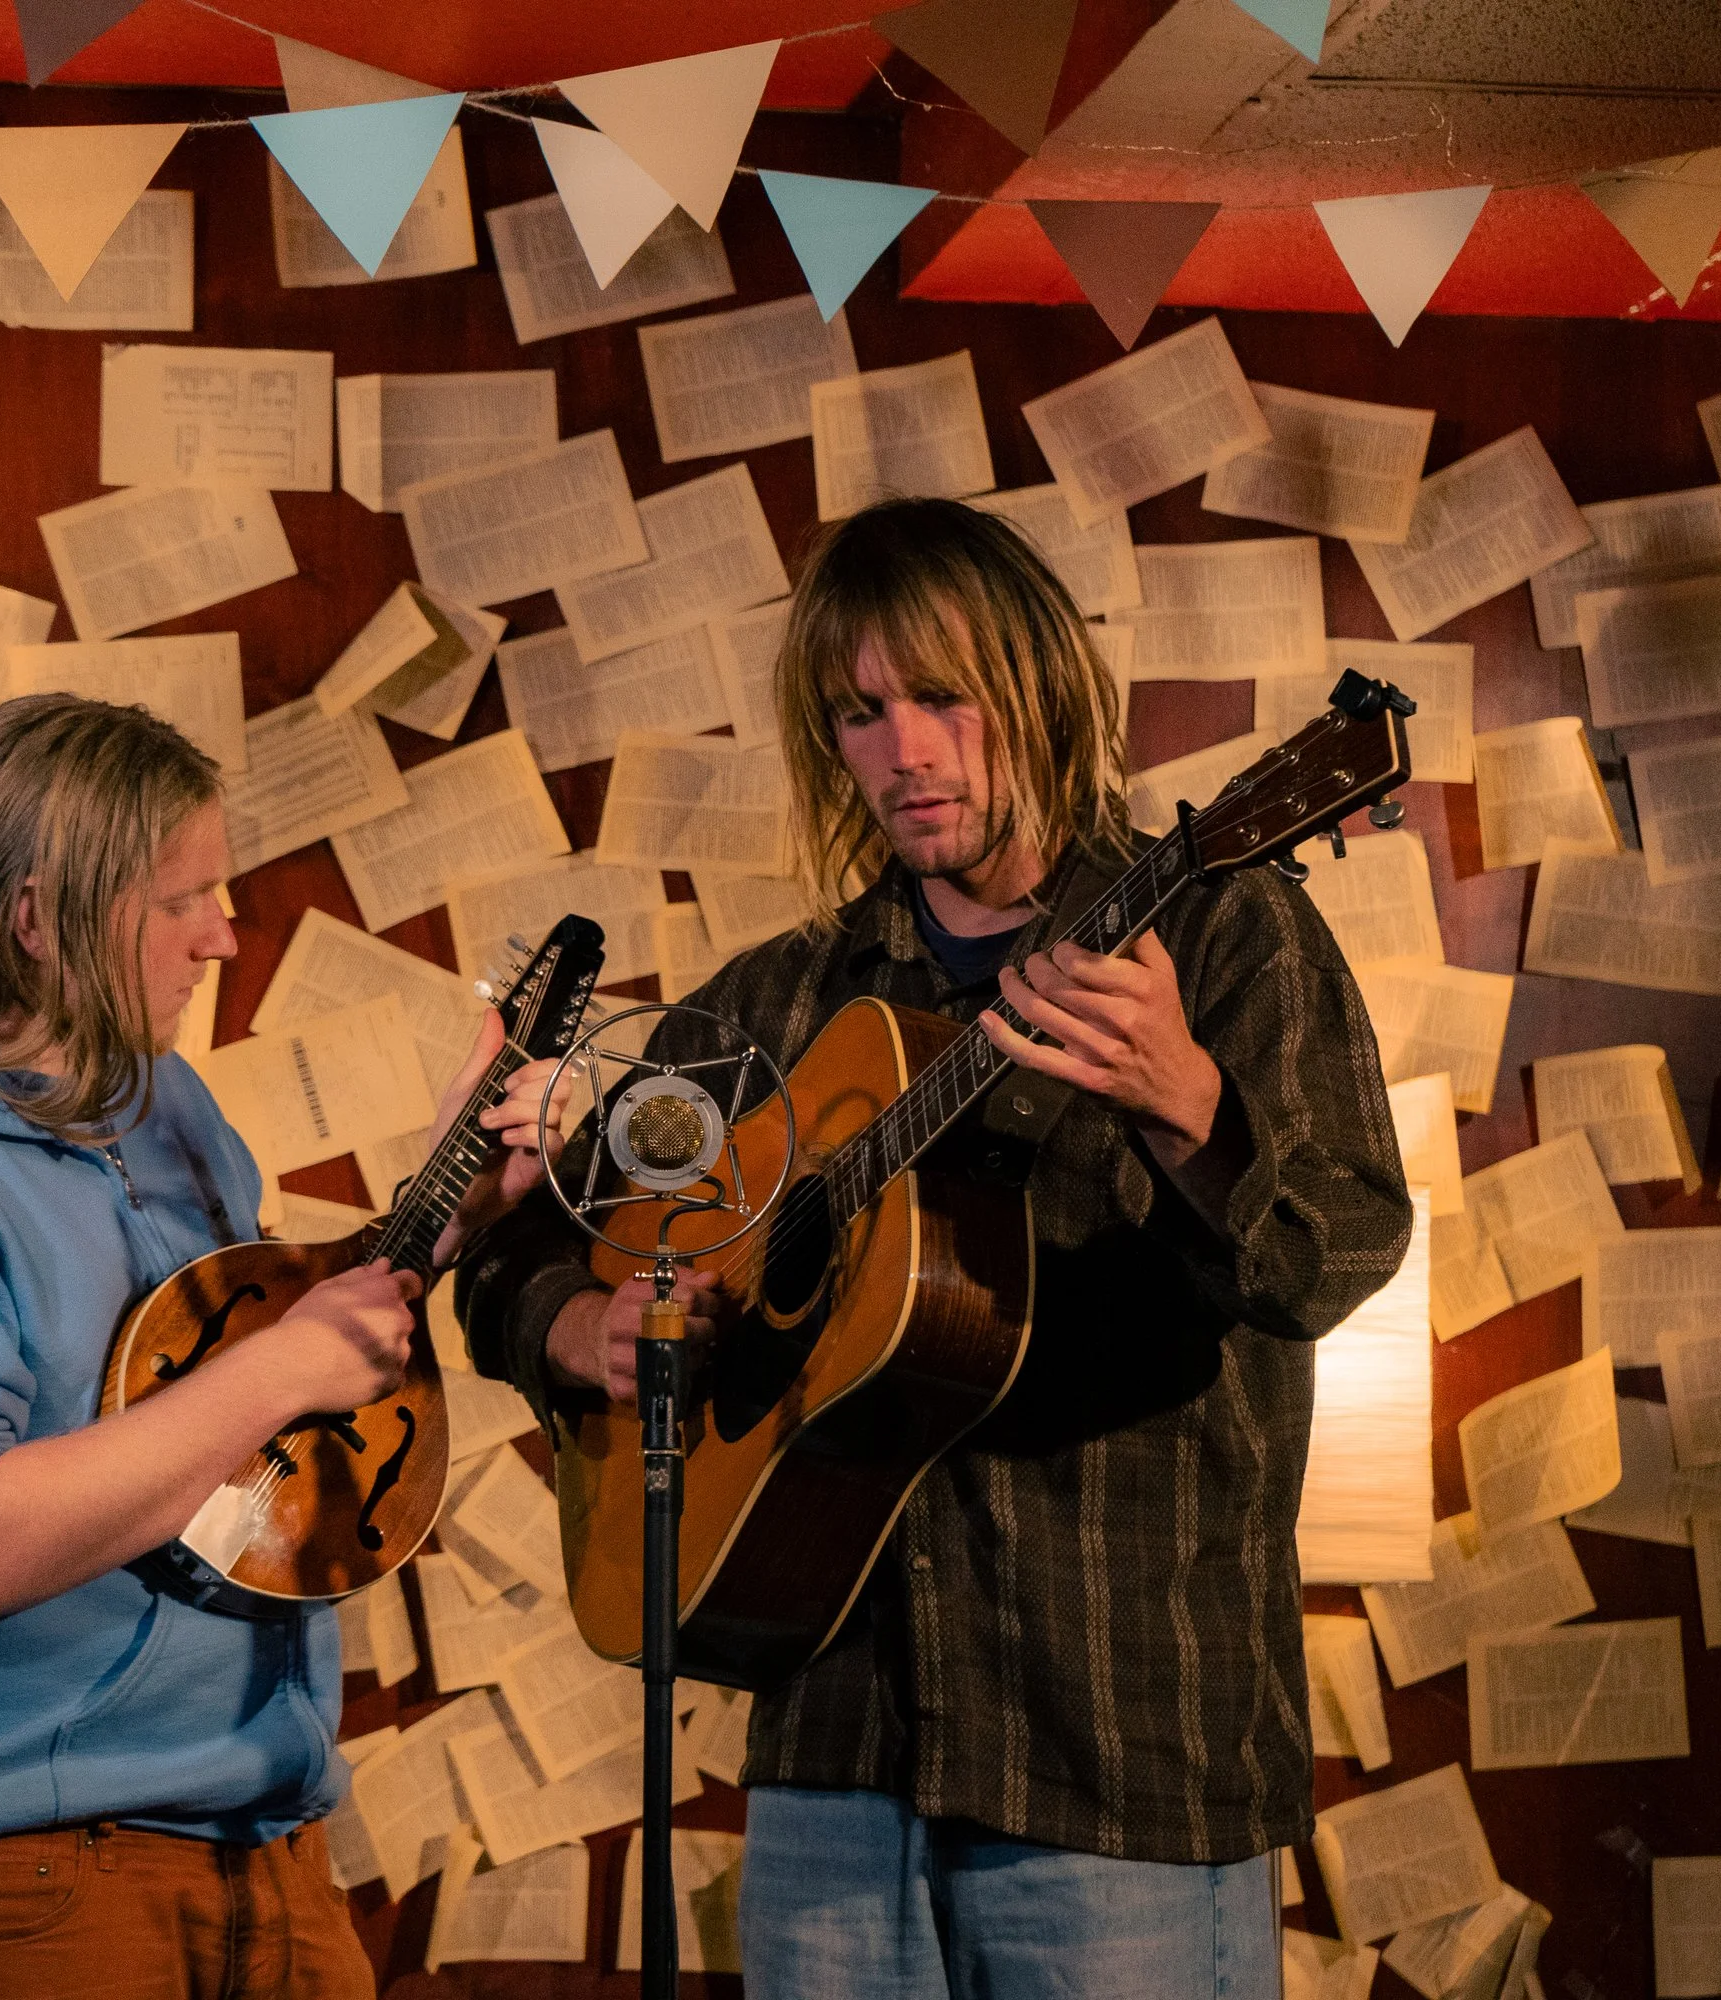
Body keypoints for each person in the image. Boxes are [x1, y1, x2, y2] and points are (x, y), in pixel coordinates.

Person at [454, 498, 1413, 2000]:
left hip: (1119, 1747)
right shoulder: (779, 1007)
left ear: (1036, 685)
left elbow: (1336, 1253)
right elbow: (526, 1248)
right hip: (834, 1747)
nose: (903, 753)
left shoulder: (1224, 936)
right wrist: (577, 1328)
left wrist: (1186, 1106)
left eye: (942, 698)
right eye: (859, 712)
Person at [0, 695, 567, 2000]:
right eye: (181, 900)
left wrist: (448, 1222)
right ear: (37, 918)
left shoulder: (166, 1106)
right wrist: (282, 1370)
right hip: (32, 1883)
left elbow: (232, 1382)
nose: (225, 934)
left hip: (270, 1849)